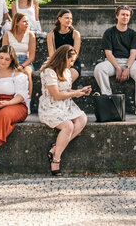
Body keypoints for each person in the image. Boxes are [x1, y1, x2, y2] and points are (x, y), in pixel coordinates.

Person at [38, 45, 91, 176]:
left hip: (66, 104)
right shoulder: (49, 71)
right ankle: (56, 159)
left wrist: (80, 91)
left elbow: (66, 91)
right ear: (63, 58)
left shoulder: (67, 71)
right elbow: (56, 94)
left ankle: (55, 148)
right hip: (50, 106)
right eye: (71, 61)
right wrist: (74, 94)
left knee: (82, 119)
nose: (72, 64)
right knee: (68, 126)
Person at [94, 5, 136, 116]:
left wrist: (127, 67)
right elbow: (108, 53)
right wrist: (118, 67)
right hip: (112, 62)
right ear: (117, 16)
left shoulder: (133, 34)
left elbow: (134, 53)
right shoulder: (109, 32)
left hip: (129, 62)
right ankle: (107, 97)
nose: (125, 17)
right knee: (99, 69)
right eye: (123, 14)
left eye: (127, 15)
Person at [1, 12, 36, 97]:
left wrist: (22, 66)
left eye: (27, 21)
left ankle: (27, 100)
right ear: (16, 23)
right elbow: (4, 52)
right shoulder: (7, 34)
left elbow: (32, 57)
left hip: (26, 61)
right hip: (11, 60)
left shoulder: (30, 35)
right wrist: (12, 64)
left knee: (27, 73)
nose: (27, 23)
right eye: (24, 21)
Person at [46, 9, 82, 75]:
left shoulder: (75, 34)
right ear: (59, 19)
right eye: (66, 18)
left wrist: (67, 65)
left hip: (72, 63)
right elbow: (52, 54)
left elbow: (75, 54)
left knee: (67, 78)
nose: (69, 20)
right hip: (56, 62)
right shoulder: (51, 35)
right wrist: (59, 66)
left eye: (71, 18)